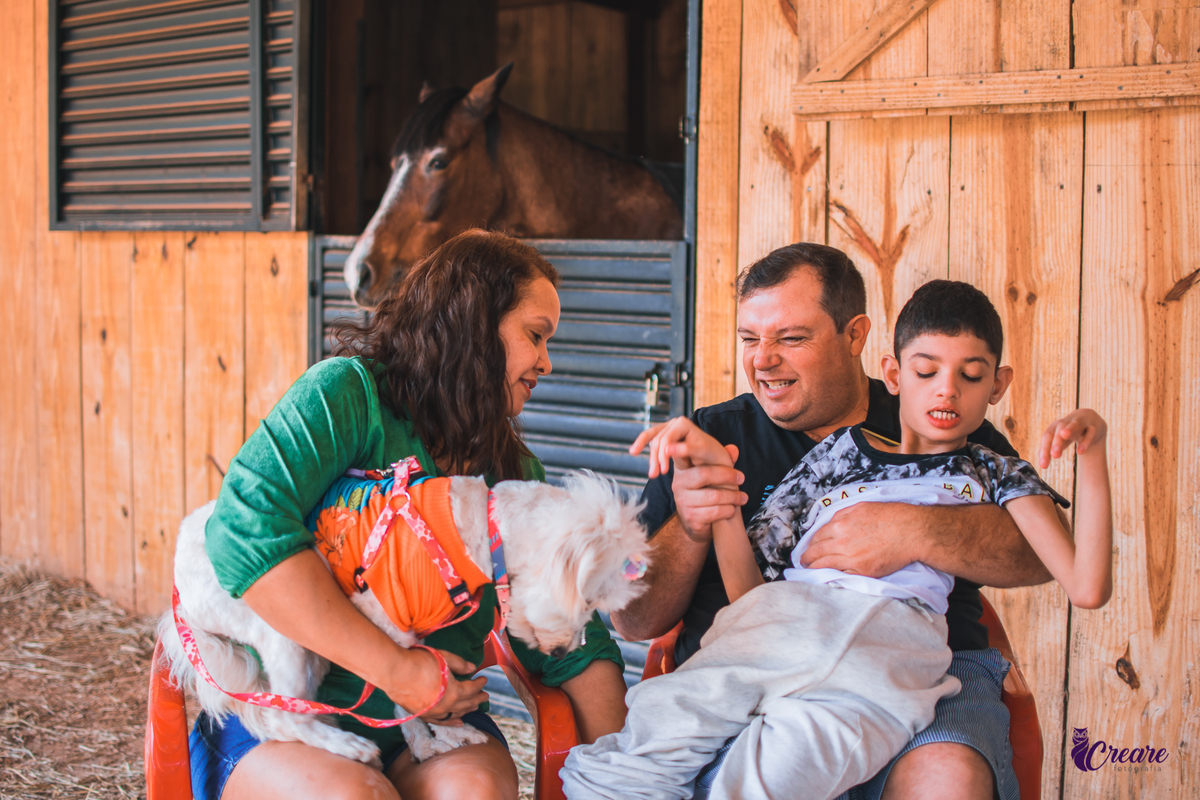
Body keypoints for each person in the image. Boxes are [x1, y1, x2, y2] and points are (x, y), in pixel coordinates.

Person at [562, 279, 1112, 800]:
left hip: (883, 650)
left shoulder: (992, 469)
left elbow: (1082, 582)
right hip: (780, 629)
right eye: (927, 372)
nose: (946, 390)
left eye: (970, 376)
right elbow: (752, 592)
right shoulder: (835, 456)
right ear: (895, 375)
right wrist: (716, 503)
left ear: (997, 385)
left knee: (776, 769)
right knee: (658, 725)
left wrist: (1093, 453)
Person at [190, 230, 629, 800]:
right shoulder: (346, 395)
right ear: (474, 322)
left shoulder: (512, 471)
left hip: (427, 723)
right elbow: (244, 531)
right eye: (535, 335)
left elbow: (572, 640)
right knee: (355, 796)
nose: (546, 362)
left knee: (472, 792)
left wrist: (628, 778)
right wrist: (401, 673)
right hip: (286, 717)